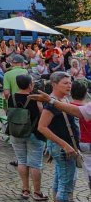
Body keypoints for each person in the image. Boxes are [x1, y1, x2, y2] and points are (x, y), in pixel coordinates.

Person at [36, 72, 79, 202]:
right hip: (64, 148)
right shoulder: (51, 103)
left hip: (61, 147)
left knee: (59, 179)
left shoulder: (62, 99)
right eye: (65, 83)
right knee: (66, 185)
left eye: (70, 83)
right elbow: (42, 127)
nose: (69, 86)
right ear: (54, 84)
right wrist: (64, 145)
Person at [8, 74, 48, 200]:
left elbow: (9, 112)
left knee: (21, 160)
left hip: (16, 132)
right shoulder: (35, 98)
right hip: (33, 133)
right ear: (30, 84)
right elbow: (42, 113)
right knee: (35, 164)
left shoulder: (12, 97)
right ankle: (37, 192)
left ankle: (25, 190)